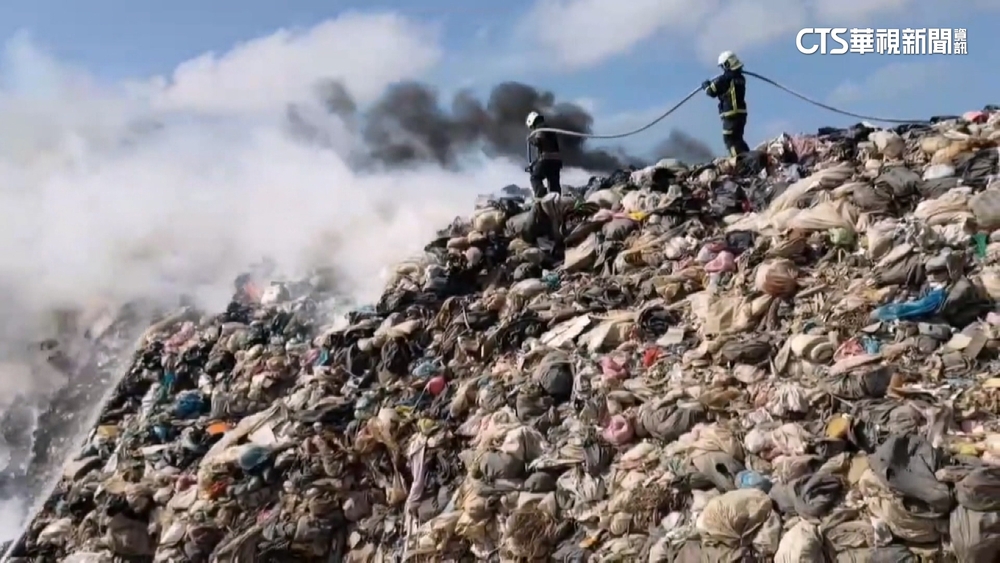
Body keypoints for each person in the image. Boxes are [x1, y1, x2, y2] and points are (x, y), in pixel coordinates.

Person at [702, 50, 750, 157]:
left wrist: (705, 85)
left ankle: (741, 162)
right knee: (738, 139)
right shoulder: (740, 78)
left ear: (727, 64)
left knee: (730, 140)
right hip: (741, 114)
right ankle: (749, 156)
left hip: (731, 114)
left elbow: (711, 91)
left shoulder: (726, 79)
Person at [525, 111, 562, 197]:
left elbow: (539, 141)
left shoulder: (541, 128)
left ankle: (542, 196)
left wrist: (531, 140)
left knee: (535, 178)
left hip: (547, 160)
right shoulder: (549, 129)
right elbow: (547, 148)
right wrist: (534, 164)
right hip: (556, 161)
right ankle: (556, 202)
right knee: (554, 184)